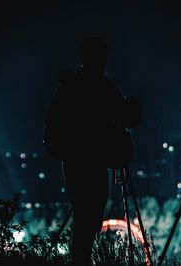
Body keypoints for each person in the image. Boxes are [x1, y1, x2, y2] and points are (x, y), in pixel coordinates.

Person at [43, 36, 142, 265]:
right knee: (88, 220)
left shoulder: (70, 88)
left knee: (84, 220)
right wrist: (133, 109)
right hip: (92, 164)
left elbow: (53, 124)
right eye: (103, 58)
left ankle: (80, 259)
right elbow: (127, 117)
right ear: (97, 59)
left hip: (75, 164)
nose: (105, 63)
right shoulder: (100, 86)